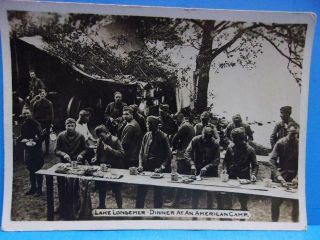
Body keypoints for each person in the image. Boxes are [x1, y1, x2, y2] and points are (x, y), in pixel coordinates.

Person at [54, 118, 88, 220]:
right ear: (65, 126)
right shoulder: (60, 136)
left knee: (76, 186)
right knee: (61, 185)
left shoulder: (81, 136)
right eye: (68, 126)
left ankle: (76, 205)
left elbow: (86, 149)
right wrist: (63, 154)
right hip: (64, 165)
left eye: (72, 126)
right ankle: (62, 206)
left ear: (75, 126)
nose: (70, 128)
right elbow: (56, 150)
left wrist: (81, 155)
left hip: (77, 165)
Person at [136, 116, 172, 208]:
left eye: (149, 124)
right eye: (147, 123)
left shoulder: (163, 137)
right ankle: (138, 214)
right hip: (146, 168)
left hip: (157, 170)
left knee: (158, 194)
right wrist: (140, 164)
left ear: (155, 125)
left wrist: (161, 168)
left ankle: (157, 215)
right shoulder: (146, 135)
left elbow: (169, 156)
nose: (147, 125)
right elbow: (141, 152)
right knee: (141, 191)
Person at [185, 124, 222, 209]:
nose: (205, 140)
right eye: (204, 137)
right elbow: (187, 153)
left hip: (211, 171)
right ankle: (194, 213)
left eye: (208, 138)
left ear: (211, 136)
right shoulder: (195, 140)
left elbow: (217, 160)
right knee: (195, 193)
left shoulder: (215, 143)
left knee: (210, 194)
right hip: (197, 169)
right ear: (202, 133)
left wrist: (207, 167)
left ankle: (209, 214)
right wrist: (192, 164)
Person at [223, 128, 259, 212]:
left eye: (236, 140)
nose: (235, 142)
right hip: (231, 176)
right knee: (227, 201)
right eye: (233, 140)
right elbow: (225, 161)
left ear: (242, 139)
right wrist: (224, 169)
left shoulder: (250, 150)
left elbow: (255, 165)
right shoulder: (230, 147)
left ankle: (242, 220)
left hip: (244, 177)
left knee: (243, 202)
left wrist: (253, 174)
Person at [270, 123, 299, 222]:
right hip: (281, 175)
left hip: (294, 178)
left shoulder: (299, 144)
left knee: (297, 204)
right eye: (292, 134)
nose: (294, 136)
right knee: (275, 203)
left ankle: (296, 225)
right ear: (287, 132)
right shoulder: (280, 143)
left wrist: (297, 177)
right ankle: (274, 225)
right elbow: (272, 160)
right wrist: (278, 176)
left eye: (296, 134)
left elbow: (303, 163)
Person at [166, 111, 195, 207]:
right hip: (188, 154)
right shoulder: (190, 125)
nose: (175, 122)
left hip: (183, 155)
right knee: (186, 176)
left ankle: (175, 202)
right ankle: (186, 198)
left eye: (176, 119)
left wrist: (171, 147)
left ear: (179, 118)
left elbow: (175, 137)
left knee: (180, 176)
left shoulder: (184, 126)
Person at [93, 125, 125, 209]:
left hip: (114, 168)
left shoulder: (115, 140)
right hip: (104, 168)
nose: (100, 138)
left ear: (107, 133)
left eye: (101, 136)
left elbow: (122, 154)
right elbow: (97, 152)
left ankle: (120, 209)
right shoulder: (100, 140)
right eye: (98, 136)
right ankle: (102, 205)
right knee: (102, 187)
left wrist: (111, 150)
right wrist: (95, 157)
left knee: (116, 189)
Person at [18, 108, 44, 197]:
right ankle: (33, 188)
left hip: (36, 151)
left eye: (27, 113)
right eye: (24, 113)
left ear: (31, 114)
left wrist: (34, 141)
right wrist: (20, 139)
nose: (25, 115)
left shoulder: (36, 124)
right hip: (28, 151)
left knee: (38, 170)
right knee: (30, 169)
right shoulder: (23, 125)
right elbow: (23, 136)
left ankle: (39, 189)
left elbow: (41, 136)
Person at [31, 88, 54, 155]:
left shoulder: (49, 103)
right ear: (39, 95)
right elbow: (33, 112)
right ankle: (40, 150)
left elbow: (51, 113)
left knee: (46, 136)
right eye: (41, 94)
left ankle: (47, 151)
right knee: (39, 136)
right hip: (39, 122)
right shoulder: (36, 103)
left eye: (43, 94)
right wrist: (34, 121)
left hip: (46, 122)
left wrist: (51, 122)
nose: (42, 95)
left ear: (45, 94)